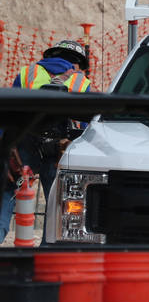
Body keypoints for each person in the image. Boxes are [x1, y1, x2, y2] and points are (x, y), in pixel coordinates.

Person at [0, 40, 93, 236]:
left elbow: (9, 112)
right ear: (76, 64)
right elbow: (86, 126)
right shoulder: (82, 83)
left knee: (7, 192)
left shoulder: (28, 73)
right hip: (60, 149)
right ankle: (47, 249)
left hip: (25, 143)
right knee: (57, 202)